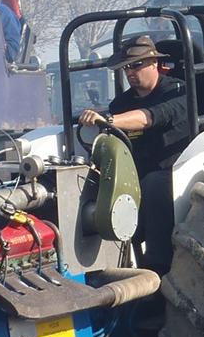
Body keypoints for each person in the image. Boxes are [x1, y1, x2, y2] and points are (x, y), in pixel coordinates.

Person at [78, 34, 189, 277]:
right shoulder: (122, 103)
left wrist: (108, 120)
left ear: (154, 64)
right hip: (138, 172)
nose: (130, 72)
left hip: (178, 171)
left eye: (136, 65)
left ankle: (157, 269)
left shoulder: (178, 92)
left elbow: (150, 117)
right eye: (126, 67)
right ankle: (102, 268)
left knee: (154, 184)